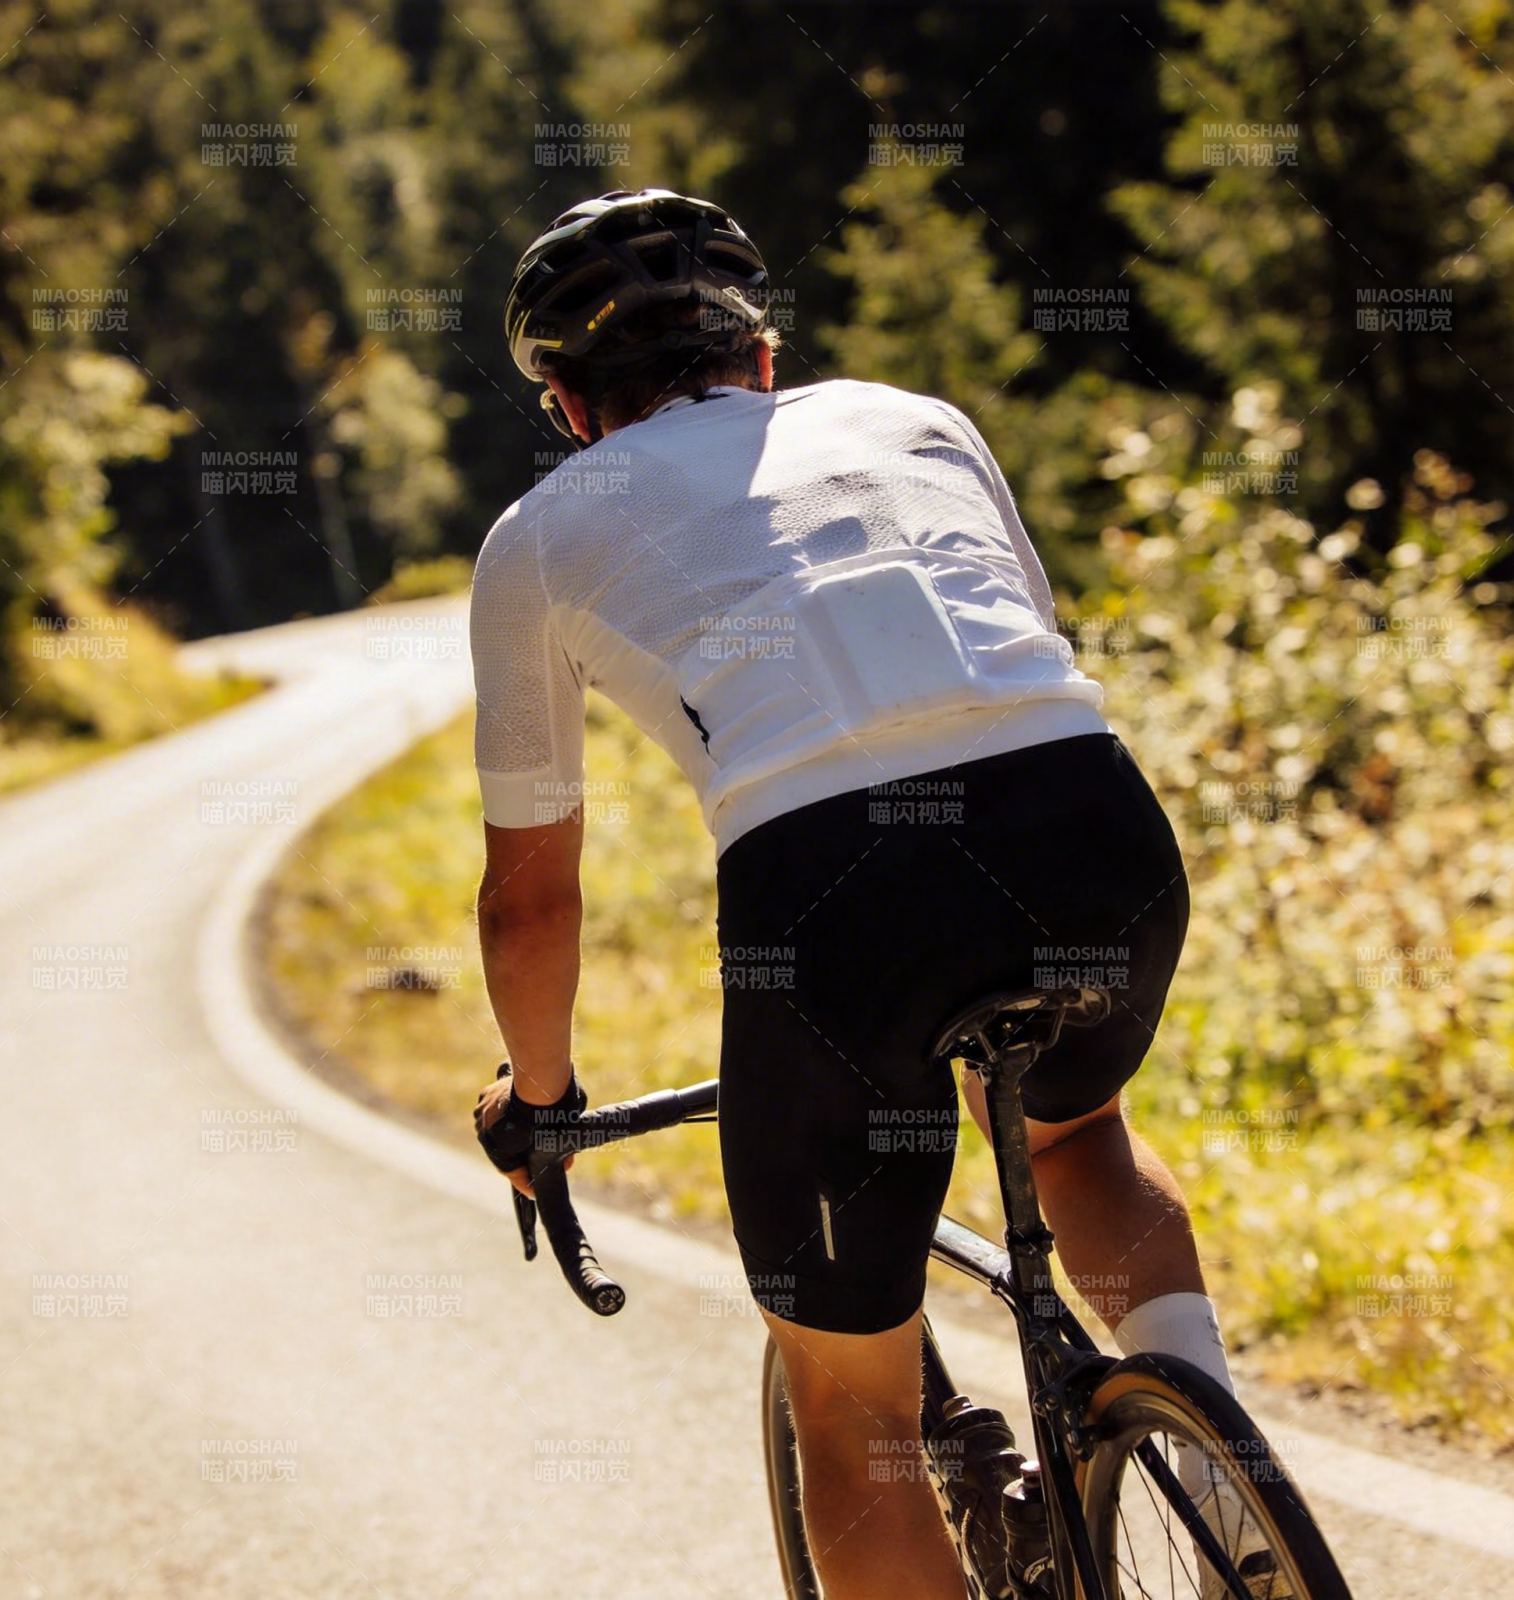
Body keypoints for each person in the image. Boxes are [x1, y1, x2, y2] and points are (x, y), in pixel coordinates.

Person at [470, 189, 1240, 1599]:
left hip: (836, 897)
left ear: (572, 407)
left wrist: (540, 1099)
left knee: (854, 1406)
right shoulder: (915, 419)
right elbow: (1018, 654)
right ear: (762, 358)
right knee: (1082, 1137)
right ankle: (1229, 1500)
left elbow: (531, 904)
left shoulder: (536, 537)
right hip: (1088, 816)